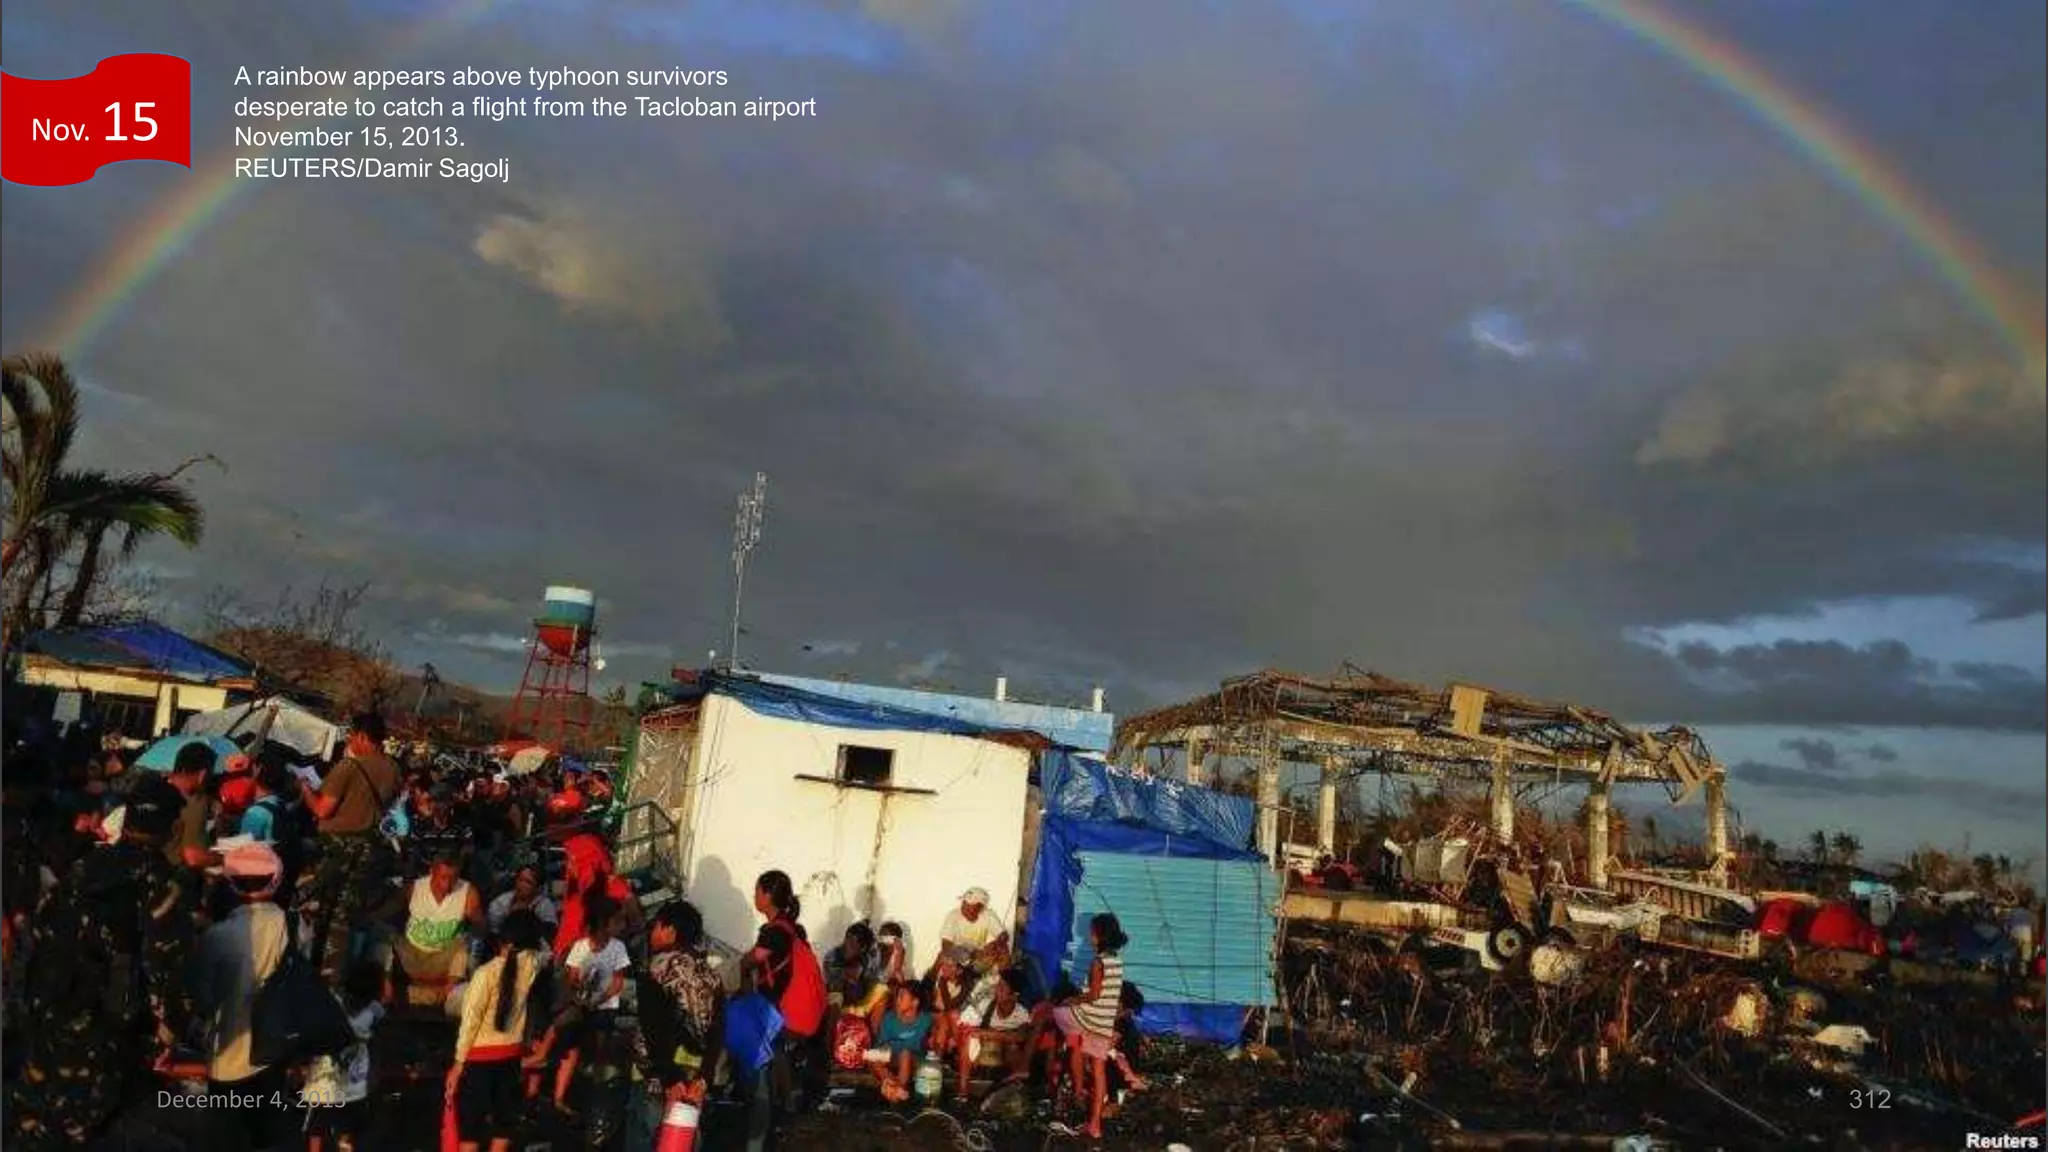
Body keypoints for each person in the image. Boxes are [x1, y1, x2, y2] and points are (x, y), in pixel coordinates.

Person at [5, 777, 195, 1150]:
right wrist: (169, 1031)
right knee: (83, 1124)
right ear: (173, 828)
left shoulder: (87, 863)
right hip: (101, 1028)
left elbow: (44, 925)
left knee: (33, 1114)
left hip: (48, 1005)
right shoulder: (161, 884)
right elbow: (169, 971)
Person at [194, 841, 293, 1149]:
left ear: (232, 883)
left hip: (227, 1055)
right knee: (268, 1132)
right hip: (272, 1051)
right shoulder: (289, 923)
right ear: (275, 880)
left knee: (225, 1137)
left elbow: (203, 995)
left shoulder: (216, 935)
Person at [299, 714, 403, 983]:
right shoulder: (394, 769)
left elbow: (323, 809)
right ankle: (337, 979)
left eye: (351, 736)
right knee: (348, 916)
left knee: (323, 913)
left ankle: (315, 976)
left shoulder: (348, 767)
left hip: (338, 851)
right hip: (369, 851)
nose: (349, 741)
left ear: (362, 737)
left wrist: (305, 789)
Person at [449, 912, 553, 1152]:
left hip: (478, 1058)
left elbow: (470, 1023)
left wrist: (458, 1064)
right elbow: (547, 953)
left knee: (471, 1128)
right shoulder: (533, 966)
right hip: (510, 1057)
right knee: (503, 1124)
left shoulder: (485, 974)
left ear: (501, 941)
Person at [629, 900, 724, 1148]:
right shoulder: (711, 974)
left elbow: (653, 1027)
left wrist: (669, 1077)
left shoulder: (658, 968)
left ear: (670, 930)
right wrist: (705, 1075)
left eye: (656, 926)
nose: (653, 933)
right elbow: (718, 1028)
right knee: (684, 1138)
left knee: (646, 1135)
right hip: (695, 1075)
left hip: (658, 1074)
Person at [546, 891, 631, 1115]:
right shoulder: (581, 946)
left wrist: (598, 1000)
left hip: (603, 1006)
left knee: (598, 1050)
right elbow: (573, 977)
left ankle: (591, 1095)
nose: (622, 925)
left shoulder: (618, 948)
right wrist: (582, 998)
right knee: (572, 1047)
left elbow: (617, 982)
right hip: (581, 1004)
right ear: (604, 923)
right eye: (617, 920)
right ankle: (560, 1096)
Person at [1050, 912, 1128, 1140]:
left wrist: (1071, 1000)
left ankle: (1076, 1086)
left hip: (1090, 1017)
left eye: (1092, 933)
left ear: (1100, 935)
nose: (1090, 937)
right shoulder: (1117, 961)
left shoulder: (1098, 962)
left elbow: (1092, 995)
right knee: (1099, 1071)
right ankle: (1095, 1125)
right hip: (1104, 1023)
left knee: (1056, 1013)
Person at [303, 959, 388, 1152]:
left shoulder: (332, 1001)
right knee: (347, 1122)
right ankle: (344, 1146)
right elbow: (378, 1043)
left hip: (324, 1075)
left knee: (318, 1123)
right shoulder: (374, 1010)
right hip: (355, 1078)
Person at [395, 850, 486, 1010]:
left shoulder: (468, 892)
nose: (448, 884)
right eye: (443, 877)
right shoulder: (415, 888)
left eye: (453, 878)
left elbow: (481, 927)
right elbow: (393, 911)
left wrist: (473, 926)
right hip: (413, 952)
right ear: (432, 872)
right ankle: (390, 992)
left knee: (466, 945)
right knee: (384, 939)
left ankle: (446, 994)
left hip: (443, 955)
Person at [955, 968, 1032, 1099]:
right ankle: (963, 1091)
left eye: (1002, 988)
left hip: (1006, 1053)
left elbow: (1020, 1037)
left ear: (1014, 995)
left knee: (1013, 1047)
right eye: (998, 986)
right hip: (983, 1049)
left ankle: (1017, 1090)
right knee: (969, 1040)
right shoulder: (985, 1006)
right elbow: (965, 1024)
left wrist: (989, 1034)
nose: (997, 990)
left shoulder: (1021, 1013)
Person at [863, 980, 934, 1104]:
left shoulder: (925, 1019)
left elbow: (941, 1023)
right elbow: (881, 1046)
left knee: (905, 1053)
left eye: (902, 996)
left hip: (915, 1059)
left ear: (915, 1002)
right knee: (870, 1054)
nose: (897, 1000)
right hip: (893, 1057)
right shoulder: (889, 1018)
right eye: (897, 996)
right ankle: (895, 1089)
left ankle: (899, 1092)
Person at [164, 741, 218, 872]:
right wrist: (224, 858)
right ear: (203, 775)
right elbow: (193, 857)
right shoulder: (194, 802)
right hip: (177, 881)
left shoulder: (156, 789)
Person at [939, 888, 1011, 970]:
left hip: (979, 954)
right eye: (964, 903)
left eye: (969, 905)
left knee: (1004, 951)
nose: (964, 907)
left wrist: (996, 943)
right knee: (942, 956)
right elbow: (945, 944)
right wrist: (961, 953)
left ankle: (1003, 978)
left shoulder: (988, 915)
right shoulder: (953, 916)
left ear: (980, 907)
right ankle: (930, 981)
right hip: (958, 953)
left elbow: (1003, 935)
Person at [928, 946, 978, 1056]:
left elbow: (950, 1007)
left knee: (948, 1018)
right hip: (937, 1016)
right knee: (943, 1021)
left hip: (956, 1020)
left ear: (959, 970)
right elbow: (932, 1005)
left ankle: (941, 1058)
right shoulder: (939, 979)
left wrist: (943, 985)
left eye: (949, 966)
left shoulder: (966, 985)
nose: (944, 968)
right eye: (944, 964)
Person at [487, 865, 558, 935]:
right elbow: (491, 926)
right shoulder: (503, 900)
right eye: (520, 879)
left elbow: (550, 930)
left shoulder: (544, 904)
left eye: (528, 882)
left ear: (537, 888)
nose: (521, 885)